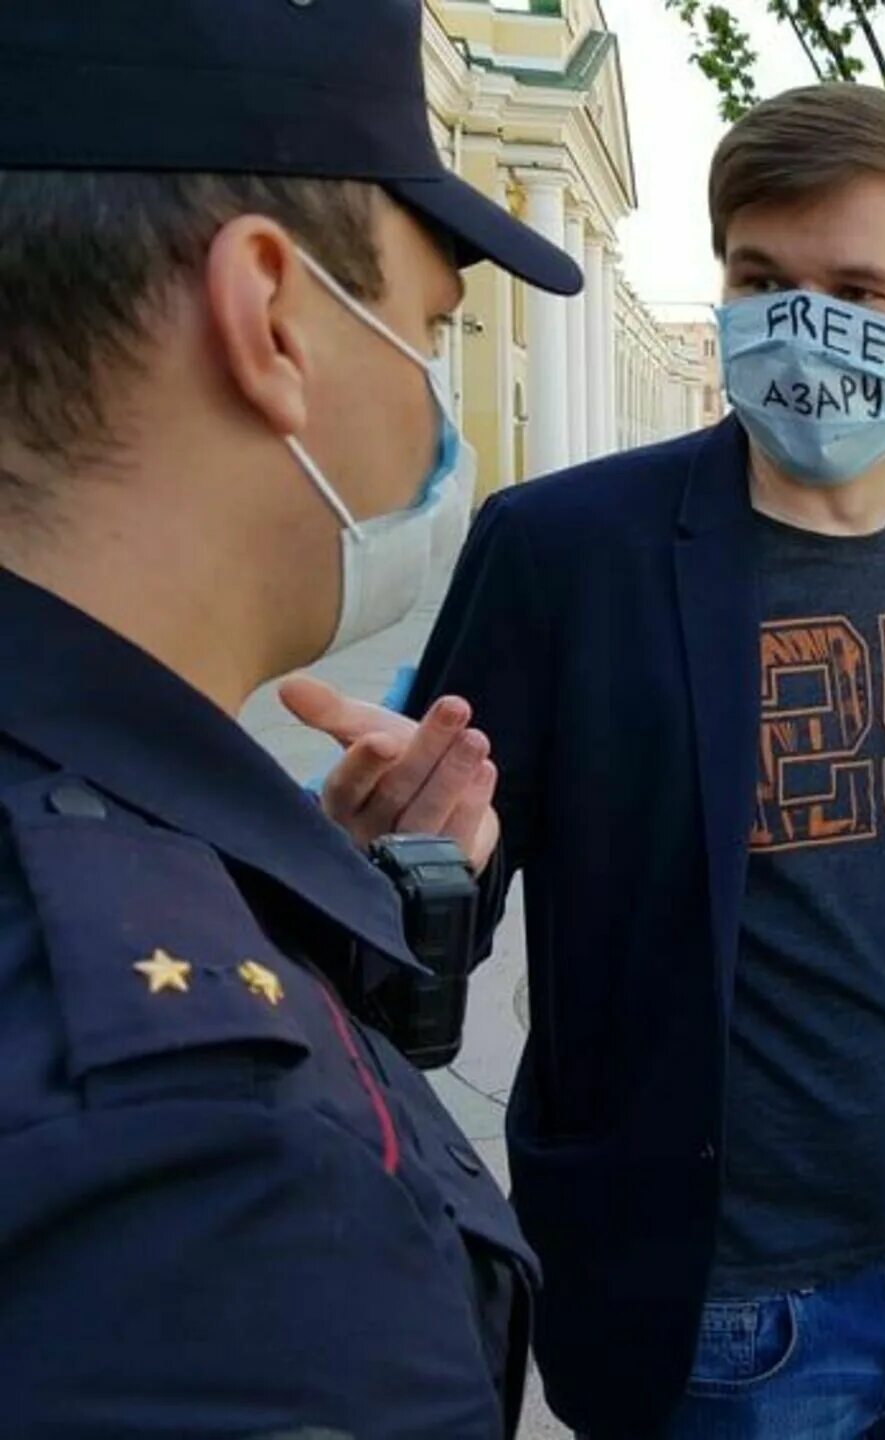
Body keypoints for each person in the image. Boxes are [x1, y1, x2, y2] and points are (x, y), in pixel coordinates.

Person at [291, 83, 885, 1439]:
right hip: (715, 1318)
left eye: (859, 290)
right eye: (764, 280)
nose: (806, 325)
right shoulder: (566, 550)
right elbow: (413, 940)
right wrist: (390, 864)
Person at [0, 2, 582, 1435]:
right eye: (434, 325)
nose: (436, 390)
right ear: (272, 315)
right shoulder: (222, 1178)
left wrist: (317, 924)